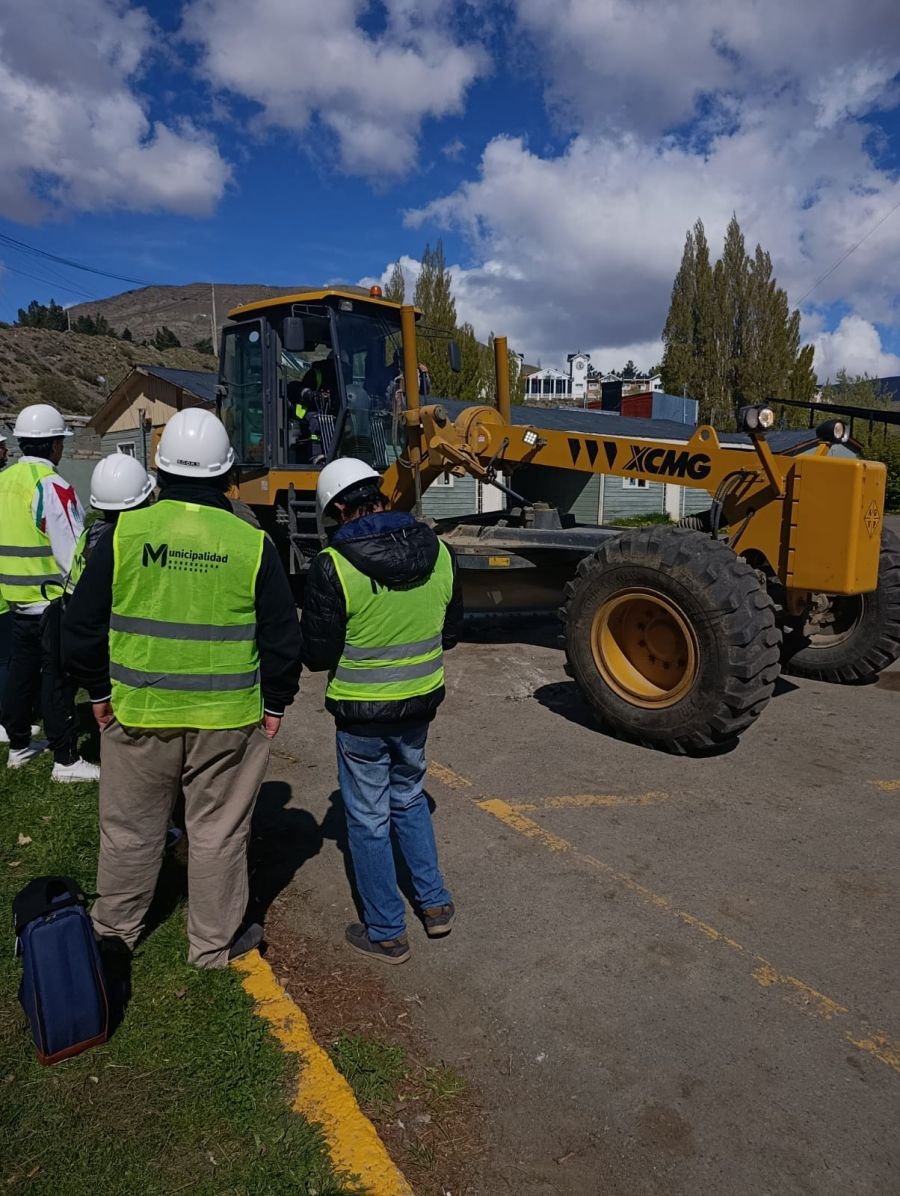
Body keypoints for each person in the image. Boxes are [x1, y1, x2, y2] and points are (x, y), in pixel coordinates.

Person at [62, 409, 302, 968]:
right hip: (229, 720)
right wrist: (276, 704)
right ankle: (211, 945)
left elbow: (81, 629)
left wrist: (98, 692)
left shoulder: (126, 534)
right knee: (217, 832)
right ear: (226, 475)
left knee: (130, 828)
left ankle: (114, 933)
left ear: (160, 470)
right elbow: (281, 638)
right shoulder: (251, 542)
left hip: (139, 710)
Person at [300, 458, 463, 965]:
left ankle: (387, 931)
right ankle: (434, 906)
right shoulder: (439, 552)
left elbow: (319, 654)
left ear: (341, 508)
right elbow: (451, 632)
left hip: (362, 716)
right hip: (419, 705)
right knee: (409, 798)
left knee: (368, 820)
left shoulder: (335, 564)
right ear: (380, 497)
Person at [0, 404, 97, 781]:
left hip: (13, 597)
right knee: (57, 678)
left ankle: (19, 744)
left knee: (23, 668)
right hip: (49, 598)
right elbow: (72, 549)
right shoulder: (51, 486)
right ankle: (66, 759)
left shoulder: (5, 480)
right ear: (56, 445)